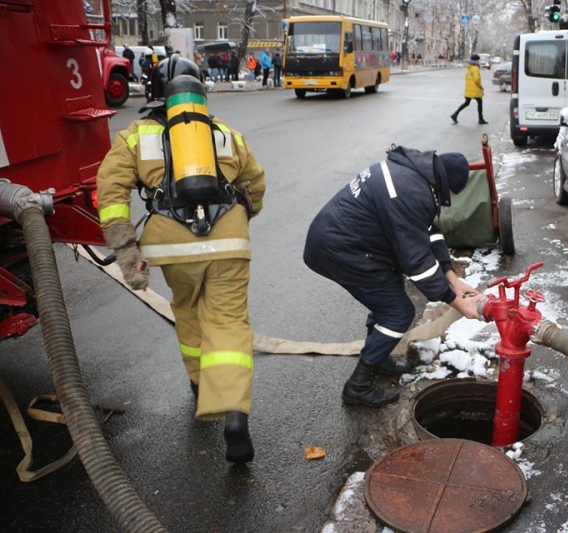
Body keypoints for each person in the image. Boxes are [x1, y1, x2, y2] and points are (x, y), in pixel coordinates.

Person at [95, 55, 267, 463]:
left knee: (187, 308)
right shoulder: (225, 133)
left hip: (171, 248)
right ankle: (235, 412)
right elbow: (255, 184)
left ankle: (198, 384)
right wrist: (246, 216)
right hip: (228, 242)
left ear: (154, 93)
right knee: (228, 320)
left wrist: (124, 246)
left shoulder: (135, 137)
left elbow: (111, 190)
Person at [303, 147, 484, 408]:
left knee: (389, 293)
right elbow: (417, 262)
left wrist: (452, 278)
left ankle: (378, 357)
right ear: (448, 184)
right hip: (340, 249)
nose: (451, 197)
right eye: (453, 193)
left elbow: (429, 231)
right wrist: (455, 301)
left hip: (344, 242)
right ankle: (358, 386)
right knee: (397, 311)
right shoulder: (409, 192)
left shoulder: (413, 175)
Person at [450, 54, 488, 125]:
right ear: (476, 60)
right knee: (479, 102)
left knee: (466, 103)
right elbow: (477, 80)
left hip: (469, 89)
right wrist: (481, 87)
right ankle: (481, 119)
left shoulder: (469, 67)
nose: (479, 61)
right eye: (478, 60)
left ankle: (455, 114)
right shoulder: (475, 68)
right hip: (475, 89)